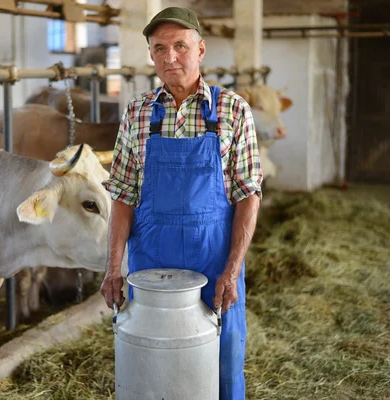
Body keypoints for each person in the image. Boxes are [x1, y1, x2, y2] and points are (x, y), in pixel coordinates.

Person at [100, 6, 261, 400]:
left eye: (180, 46)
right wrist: (112, 268)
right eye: (159, 49)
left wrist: (232, 269)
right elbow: (123, 196)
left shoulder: (232, 110)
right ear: (151, 55)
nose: (170, 57)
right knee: (152, 366)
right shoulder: (137, 113)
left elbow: (248, 195)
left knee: (222, 365)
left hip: (216, 262)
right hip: (152, 267)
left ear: (201, 50)